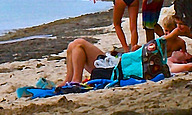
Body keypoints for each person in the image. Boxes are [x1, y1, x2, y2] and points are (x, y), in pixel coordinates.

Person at [61, 18, 192, 85]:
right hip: (116, 62)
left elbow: (163, 41)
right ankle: (69, 80)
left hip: (114, 68)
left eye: (185, 54)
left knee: (79, 44)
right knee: (74, 44)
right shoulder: (163, 57)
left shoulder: (168, 65)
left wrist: (176, 33)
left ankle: (75, 81)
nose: (186, 53)